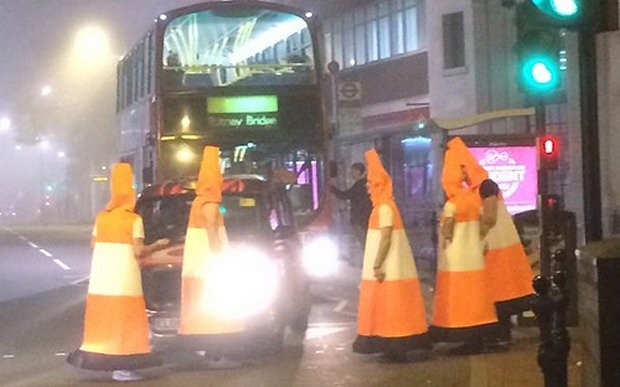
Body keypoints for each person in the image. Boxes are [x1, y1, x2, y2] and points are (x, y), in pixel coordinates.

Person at [67, 163, 169, 382]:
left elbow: (92, 246)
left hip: (101, 282)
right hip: (124, 281)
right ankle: (124, 368)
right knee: (127, 321)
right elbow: (139, 250)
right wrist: (158, 245)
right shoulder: (133, 220)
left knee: (105, 322)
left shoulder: (102, 218)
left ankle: (106, 361)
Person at [352, 149, 430, 362]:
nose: (367, 187)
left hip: (388, 271)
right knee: (390, 308)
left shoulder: (384, 208)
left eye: (370, 183)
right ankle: (393, 348)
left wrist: (377, 264)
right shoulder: (384, 206)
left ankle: (394, 349)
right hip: (392, 269)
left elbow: (385, 238)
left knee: (390, 309)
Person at [430, 137, 499, 355]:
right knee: (476, 299)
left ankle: (464, 338)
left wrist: (446, 234)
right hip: (475, 259)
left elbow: (447, 230)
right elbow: (486, 223)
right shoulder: (473, 199)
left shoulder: (452, 203)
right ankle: (478, 339)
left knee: (459, 300)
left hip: (457, 262)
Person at [178, 145, 243, 368]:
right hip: (209, 266)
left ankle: (210, 353)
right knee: (217, 306)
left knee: (208, 306)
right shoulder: (209, 202)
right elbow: (212, 229)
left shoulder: (199, 200)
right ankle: (215, 355)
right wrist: (220, 256)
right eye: (219, 171)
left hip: (200, 266)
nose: (222, 175)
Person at [480, 178, 535, 344]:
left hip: (494, 254)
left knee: (498, 298)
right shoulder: (488, 188)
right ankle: (502, 334)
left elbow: (488, 219)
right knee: (505, 298)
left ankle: (498, 335)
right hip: (504, 254)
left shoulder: (481, 188)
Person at [330, 162, 372, 251]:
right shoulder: (366, 184)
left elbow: (344, 195)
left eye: (353, 171)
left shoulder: (359, 185)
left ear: (359, 171)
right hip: (366, 219)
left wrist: (331, 188)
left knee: (365, 244)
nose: (351, 173)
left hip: (359, 220)